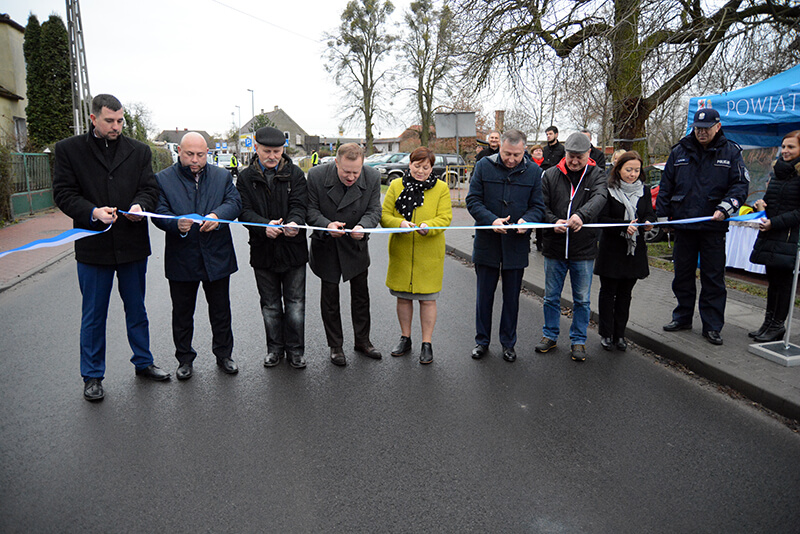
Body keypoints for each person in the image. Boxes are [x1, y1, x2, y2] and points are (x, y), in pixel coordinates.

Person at [53, 93, 170, 401]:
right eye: (109, 121)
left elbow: (150, 188)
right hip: (93, 246)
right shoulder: (69, 150)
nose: (116, 126)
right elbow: (63, 193)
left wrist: (139, 206)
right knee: (93, 314)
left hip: (132, 244)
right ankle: (92, 375)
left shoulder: (139, 151)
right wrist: (92, 211)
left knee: (137, 308)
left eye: (120, 120)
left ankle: (143, 362)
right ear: (93, 119)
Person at [153, 132, 242, 380]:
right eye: (189, 154)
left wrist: (217, 216)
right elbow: (158, 211)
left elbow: (234, 202)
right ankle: (184, 359)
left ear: (207, 153)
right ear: (179, 151)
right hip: (182, 256)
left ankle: (224, 355)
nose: (195, 160)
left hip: (217, 255)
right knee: (182, 313)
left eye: (200, 155)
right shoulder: (162, 179)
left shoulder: (222, 176)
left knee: (221, 311)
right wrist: (174, 224)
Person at [656, 108, 749, 345]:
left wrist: (726, 207)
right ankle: (682, 317)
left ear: (717, 126)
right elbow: (666, 187)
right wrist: (664, 218)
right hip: (684, 226)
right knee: (682, 275)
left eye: (706, 128)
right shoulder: (679, 151)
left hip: (713, 227)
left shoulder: (731, 152)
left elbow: (739, 186)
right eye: (698, 128)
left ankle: (712, 326)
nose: (702, 133)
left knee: (713, 278)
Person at [466, 129, 545, 362]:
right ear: (500, 147)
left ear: (525, 151)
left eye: (517, 155)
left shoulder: (534, 172)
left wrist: (527, 221)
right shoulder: (483, 166)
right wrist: (491, 220)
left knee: (511, 298)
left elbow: (538, 206)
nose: (511, 159)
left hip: (516, 244)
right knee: (484, 296)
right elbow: (473, 200)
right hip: (487, 242)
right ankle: (482, 341)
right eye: (507, 153)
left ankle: (508, 343)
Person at [237, 127, 309, 369]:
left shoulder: (296, 174)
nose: (272, 156)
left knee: (296, 303)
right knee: (270, 305)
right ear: (256, 148)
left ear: (283, 150)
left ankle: (296, 351)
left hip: (293, 250)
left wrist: (294, 223)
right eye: (266, 151)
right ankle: (275, 349)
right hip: (263, 251)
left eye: (277, 151)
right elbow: (244, 211)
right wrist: (262, 226)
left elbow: (301, 205)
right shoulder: (246, 177)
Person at [307, 143, 383, 366]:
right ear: (336, 163)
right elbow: (309, 210)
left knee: (361, 296)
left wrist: (363, 225)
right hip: (327, 244)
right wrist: (326, 224)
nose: (351, 177)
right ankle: (335, 346)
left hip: (356, 244)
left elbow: (374, 210)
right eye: (346, 171)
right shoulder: (316, 175)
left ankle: (363, 341)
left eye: (355, 172)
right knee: (330, 298)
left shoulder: (372, 177)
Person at [535, 131, 608, 362]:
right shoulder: (550, 175)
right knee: (551, 297)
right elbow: (540, 205)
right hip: (554, 248)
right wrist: (551, 222)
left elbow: (600, 197)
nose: (575, 161)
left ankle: (578, 340)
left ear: (589, 154)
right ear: (565, 154)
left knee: (582, 300)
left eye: (579, 156)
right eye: (571, 156)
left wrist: (582, 216)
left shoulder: (597, 175)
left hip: (583, 250)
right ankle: (550, 335)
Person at [381, 147, 453, 364]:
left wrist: (427, 226)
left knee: (428, 300)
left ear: (432, 168)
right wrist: (399, 223)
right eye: (417, 166)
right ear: (409, 164)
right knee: (403, 297)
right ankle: (405, 337)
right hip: (401, 251)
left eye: (426, 167)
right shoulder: (395, 185)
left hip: (429, 252)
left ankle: (426, 343)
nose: (420, 171)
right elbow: (385, 216)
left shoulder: (441, 188)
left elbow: (445, 217)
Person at [594, 151, 655, 351]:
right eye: (628, 169)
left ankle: (620, 334)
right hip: (612, 250)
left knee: (625, 295)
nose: (632, 174)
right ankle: (606, 333)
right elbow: (601, 219)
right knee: (608, 293)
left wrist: (648, 224)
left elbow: (649, 214)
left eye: (636, 170)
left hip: (633, 252)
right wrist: (623, 226)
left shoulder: (644, 191)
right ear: (618, 169)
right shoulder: (608, 189)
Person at [748, 130, 800, 342]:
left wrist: (774, 223)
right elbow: (773, 202)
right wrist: (760, 207)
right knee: (773, 283)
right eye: (784, 147)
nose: (785, 151)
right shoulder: (777, 173)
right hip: (771, 235)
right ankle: (768, 323)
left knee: (784, 284)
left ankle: (778, 325)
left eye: (791, 147)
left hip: (788, 237)